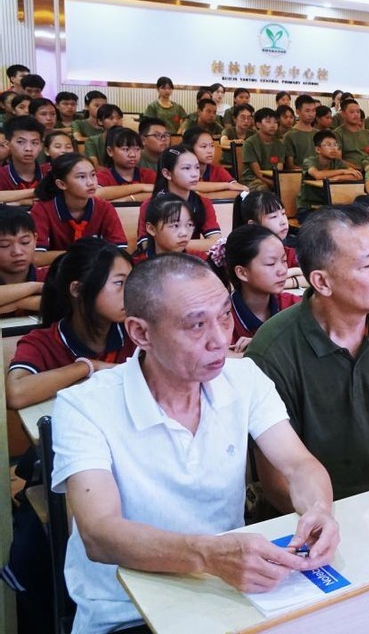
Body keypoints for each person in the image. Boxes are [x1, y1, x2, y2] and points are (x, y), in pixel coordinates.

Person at [52, 254, 339, 633]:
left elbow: (298, 464)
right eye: (196, 325)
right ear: (140, 333)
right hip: (128, 613)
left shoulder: (244, 377)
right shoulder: (85, 405)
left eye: (224, 316)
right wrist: (208, 555)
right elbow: (99, 534)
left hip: (233, 596)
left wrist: (319, 509)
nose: (220, 340)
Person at [247, 205, 369, 503]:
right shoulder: (272, 350)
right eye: (367, 264)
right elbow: (278, 481)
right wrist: (329, 520)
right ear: (322, 282)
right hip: (317, 511)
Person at [6, 238, 136, 409]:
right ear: (77, 289)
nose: (132, 292)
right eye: (119, 283)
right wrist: (87, 366)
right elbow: (15, 394)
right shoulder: (42, 342)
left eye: (132, 282)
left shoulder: (137, 332)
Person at [212, 224, 301, 348]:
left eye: (284, 261)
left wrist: (263, 344)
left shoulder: (294, 306)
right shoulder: (221, 318)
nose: (282, 270)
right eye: (271, 264)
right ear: (242, 273)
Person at [30, 154, 127, 263]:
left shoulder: (105, 207)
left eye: (93, 175)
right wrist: (82, 255)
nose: (91, 182)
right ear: (62, 184)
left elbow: (120, 251)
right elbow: (36, 257)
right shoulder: (42, 209)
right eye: (81, 177)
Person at [135, 147, 222, 247]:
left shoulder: (202, 202)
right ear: (167, 173)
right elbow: (146, 245)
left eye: (197, 167)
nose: (194, 174)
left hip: (191, 256)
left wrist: (172, 244)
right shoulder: (150, 205)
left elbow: (216, 242)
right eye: (186, 168)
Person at [296, 131, 362, 219]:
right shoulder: (309, 161)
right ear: (318, 149)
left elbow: (357, 176)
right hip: (308, 208)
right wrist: (343, 171)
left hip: (329, 207)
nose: (333, 148)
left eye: (335, 144)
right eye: (328, 145)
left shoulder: (338, 162)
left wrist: (337, 178)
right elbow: (318, 175)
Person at [0, 208, 46, 314]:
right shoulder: (43, 283)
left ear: (35, 240)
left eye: (25, 242)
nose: (17, 252)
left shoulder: (51, 275)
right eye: (4, 245)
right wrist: (37, 287)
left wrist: (19, 304)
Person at [94, 127, 157, 201]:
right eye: (126, 149)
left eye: (137, 149)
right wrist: (141, 187)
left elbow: (162, 193)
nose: (133, 154)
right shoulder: (103, 176)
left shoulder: (148, 174)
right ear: (110, 151)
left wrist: (128, 199)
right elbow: (96, 194)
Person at [240, 107, 286, 191]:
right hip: (252, 179)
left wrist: (277, 182)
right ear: (258, 124)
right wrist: (274, 184)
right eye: (268, 122)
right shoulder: (250, 143)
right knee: (263, 189)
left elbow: (279, 168)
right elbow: (257, 173)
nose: (273, 125)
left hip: (273, 179)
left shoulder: (280, 144)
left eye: (275, 122)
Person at [0, 116, 45, 197]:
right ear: (7, 144)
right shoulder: (2, 174)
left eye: (34, 143)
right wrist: (36, 192)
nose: (28, 148)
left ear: (41, 146)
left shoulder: (50, 172)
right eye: (20, 142)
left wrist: (19, 201)